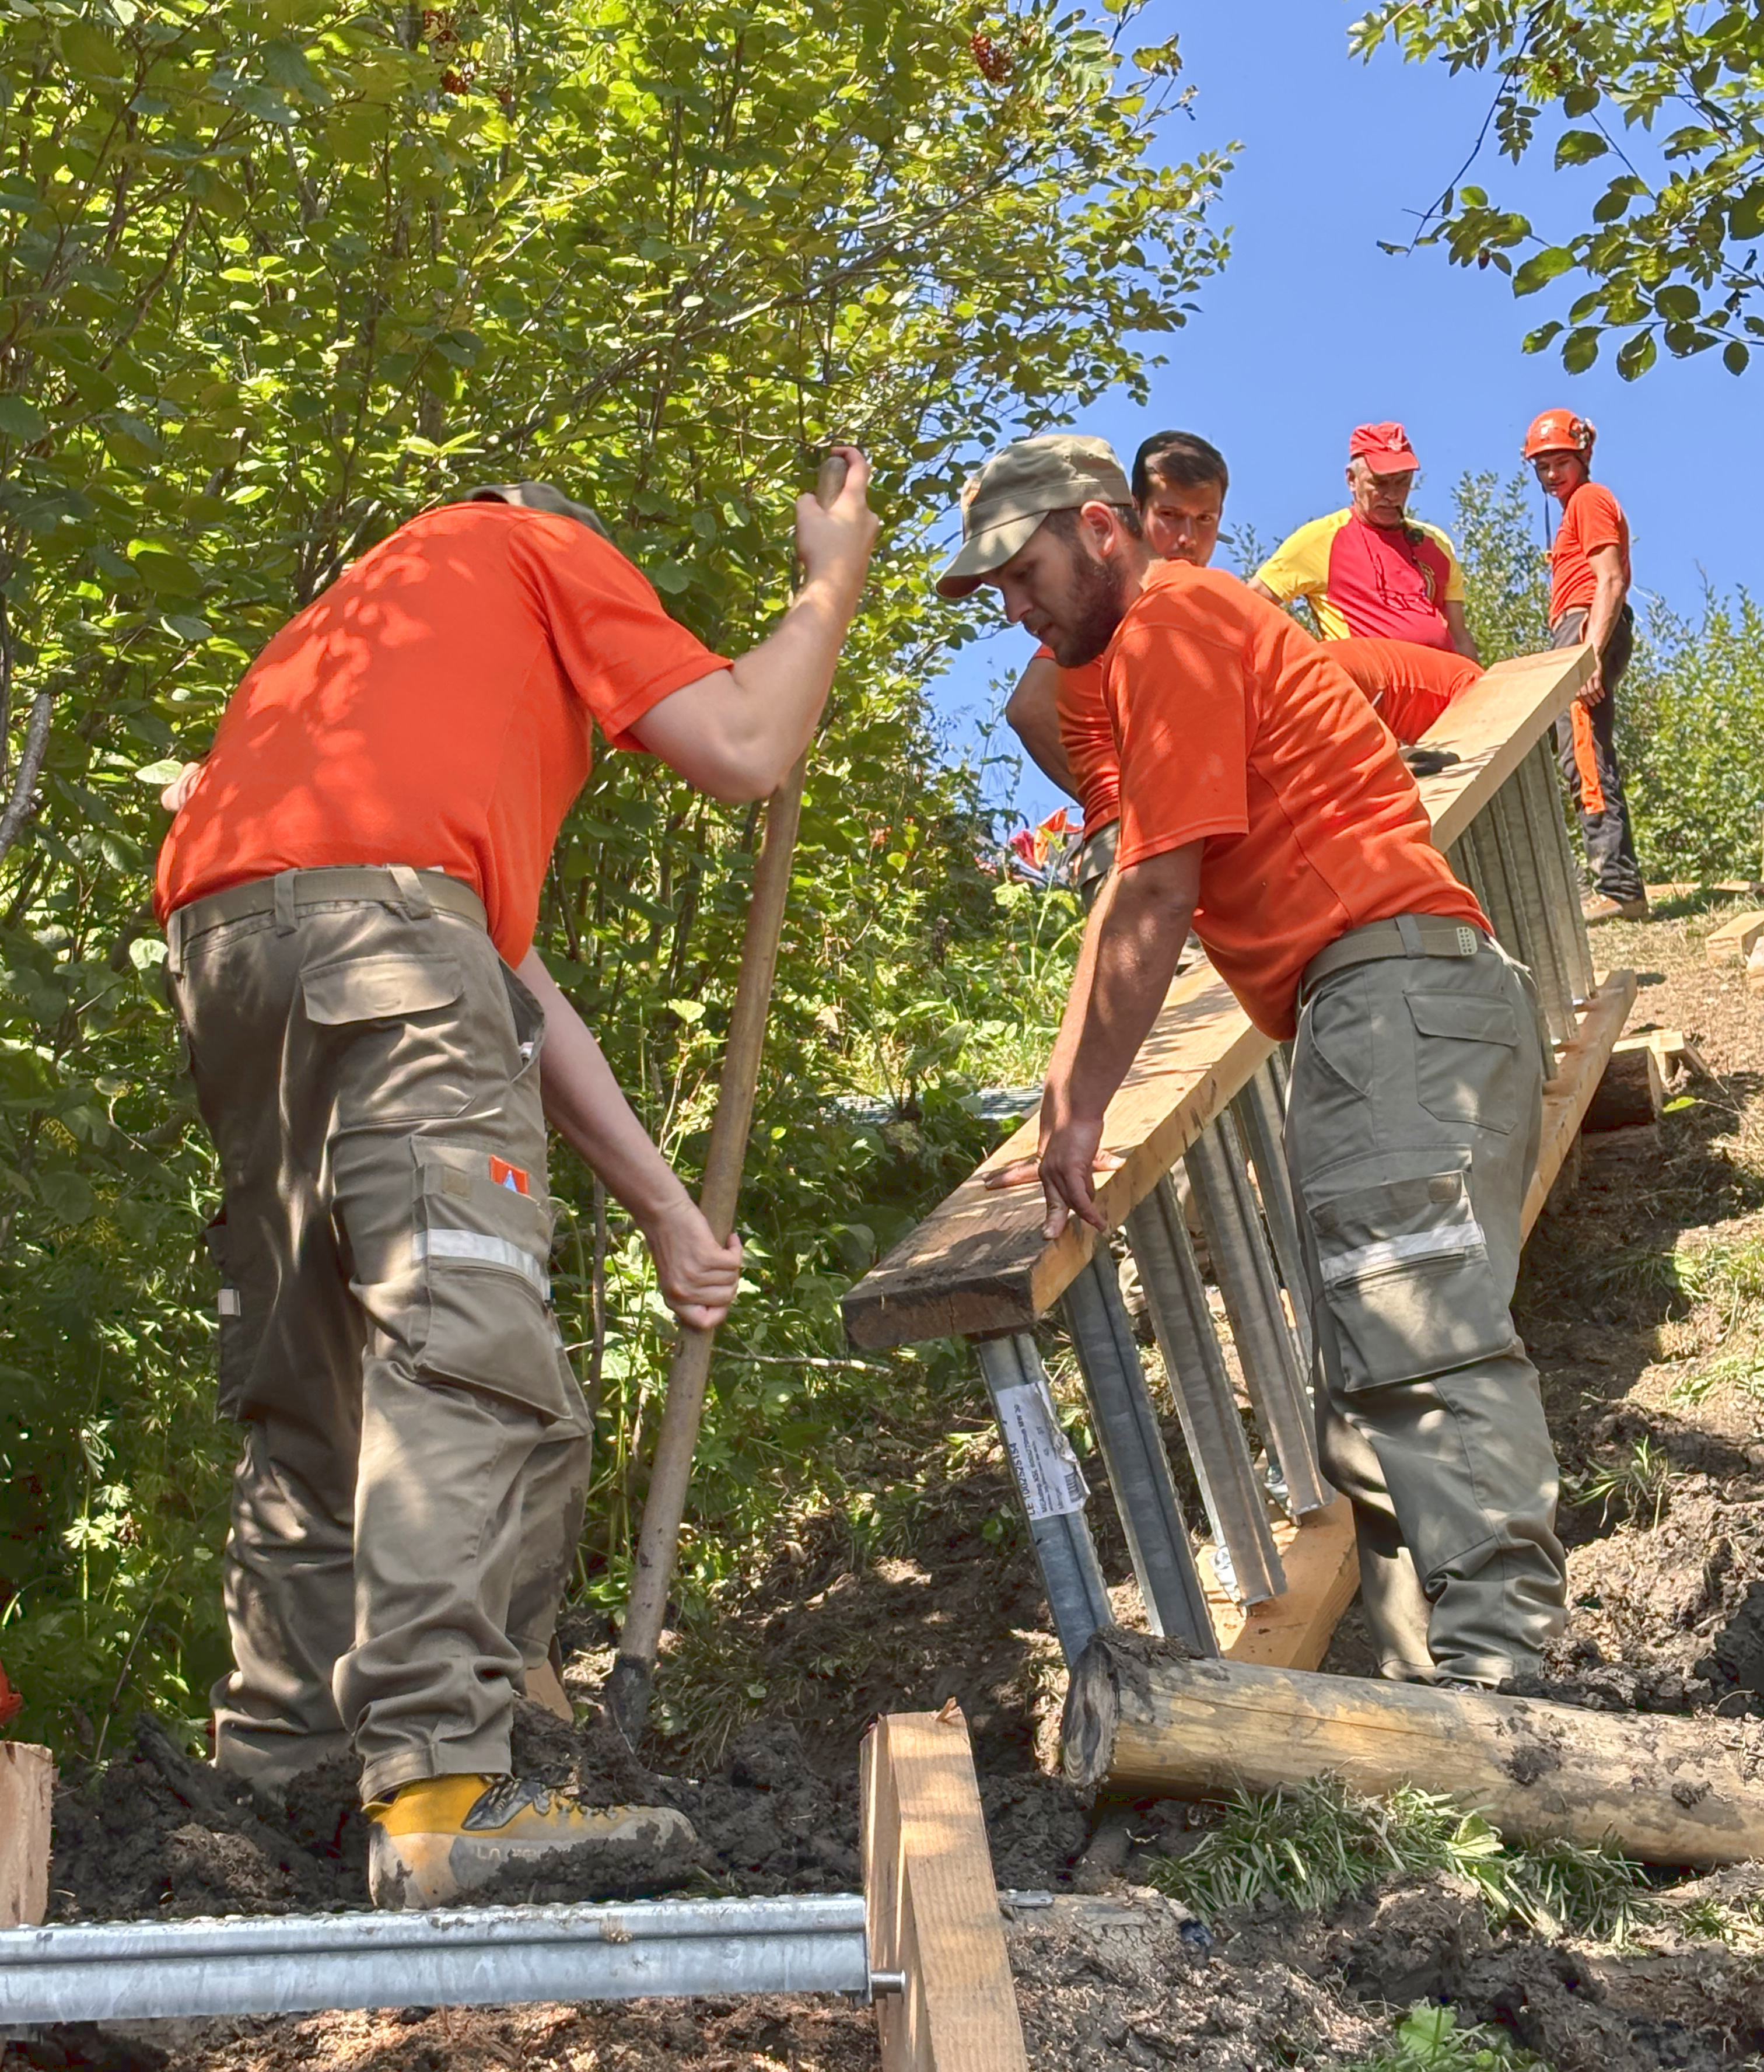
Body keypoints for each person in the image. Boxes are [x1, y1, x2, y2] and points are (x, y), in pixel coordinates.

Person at [155, 460, 878, 1907]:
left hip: (228, 951)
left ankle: (280, 1796)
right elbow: (745, 741)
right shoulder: (530, 547)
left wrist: (671, 1213)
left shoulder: (342, 652)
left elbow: (509, 993)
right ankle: (443, 1791)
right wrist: (831, 581)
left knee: (316, 1383)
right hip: (385, 936)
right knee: (466, 1347)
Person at [939, 437, 1565, 1689]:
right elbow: (1121, 826)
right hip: (1371, 1007)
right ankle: (1429, 1708)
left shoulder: (1173, 621)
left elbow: (1156, 883)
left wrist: (1072, 1116)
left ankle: (1506, 1689)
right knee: (1369, 1382)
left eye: (1019, 569)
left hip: (1392, 991)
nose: (1008, 604)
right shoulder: (1140, 653)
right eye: (989, 589)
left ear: (1103, 528)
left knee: (1416, 1335)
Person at [1003, 432, 1228, 907]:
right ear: (1136, 514)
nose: (1186, 537)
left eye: (1204, 519)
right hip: (1131, 835)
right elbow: (1029, 708)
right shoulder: (1107, 613)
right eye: (1169, 516)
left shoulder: (1192, 604)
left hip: (1200, 830)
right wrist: (1113, 796)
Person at [1523, 410, 1648, 923]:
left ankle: (1617, 888)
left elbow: (1611, 580)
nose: (1552, 475)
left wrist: (1589, 654)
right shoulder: (1577, 504)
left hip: (1586, 627)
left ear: (1584, 458)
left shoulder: (1590, 500)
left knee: (1584, 755)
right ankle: (1619, 883)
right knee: (1582, 750)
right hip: (1581, 629)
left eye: (1561, 464)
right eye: (1543, 467)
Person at [1250, 424, 1479, 660]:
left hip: (1446, 689)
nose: (1392, 495)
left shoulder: (1436, 543)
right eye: (1380, 483)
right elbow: (1249, 605)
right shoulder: (1321, 540)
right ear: (1352, 479)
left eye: (1402, 482)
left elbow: (1459, 637)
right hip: (1369, 691)